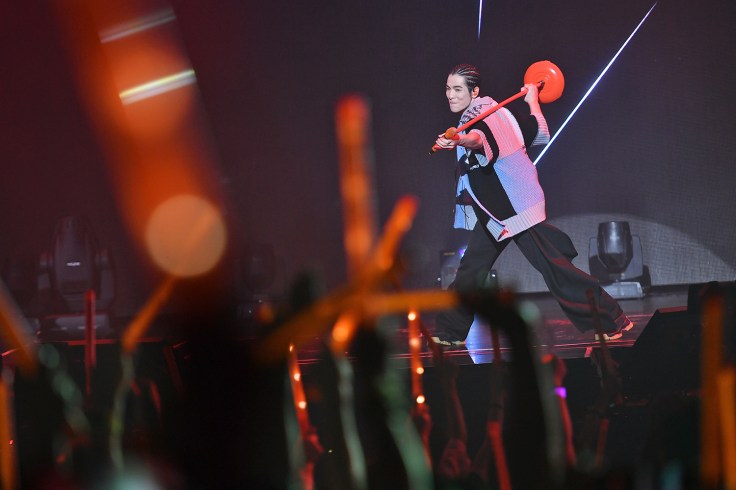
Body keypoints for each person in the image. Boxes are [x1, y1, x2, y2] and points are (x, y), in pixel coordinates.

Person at [431, 63, 632, 346]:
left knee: (555, 269)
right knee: (471, 270)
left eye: (457, 89)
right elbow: (539, 133)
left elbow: (478, 138)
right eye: (448, 89)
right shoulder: (498, 113)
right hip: (496, 212)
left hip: (514, 208)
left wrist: (460, 139)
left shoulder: (481, 116)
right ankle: (450, 332)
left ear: (474, 92)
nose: (450, 95)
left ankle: (611, 319)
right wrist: (533, 101)